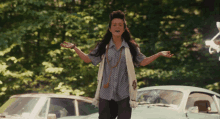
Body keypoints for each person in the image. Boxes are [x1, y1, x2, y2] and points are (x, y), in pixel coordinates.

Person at [60, 10, 174, 119]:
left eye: (120, 25)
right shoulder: (103, 46)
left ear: (124, 29)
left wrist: (159, 54)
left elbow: (143, 61)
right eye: (114, 25)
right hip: (106, 94)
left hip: (124, 95)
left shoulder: (131, 48)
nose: (117, 27)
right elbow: (87, 59)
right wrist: (75, 48)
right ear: (110, 28)